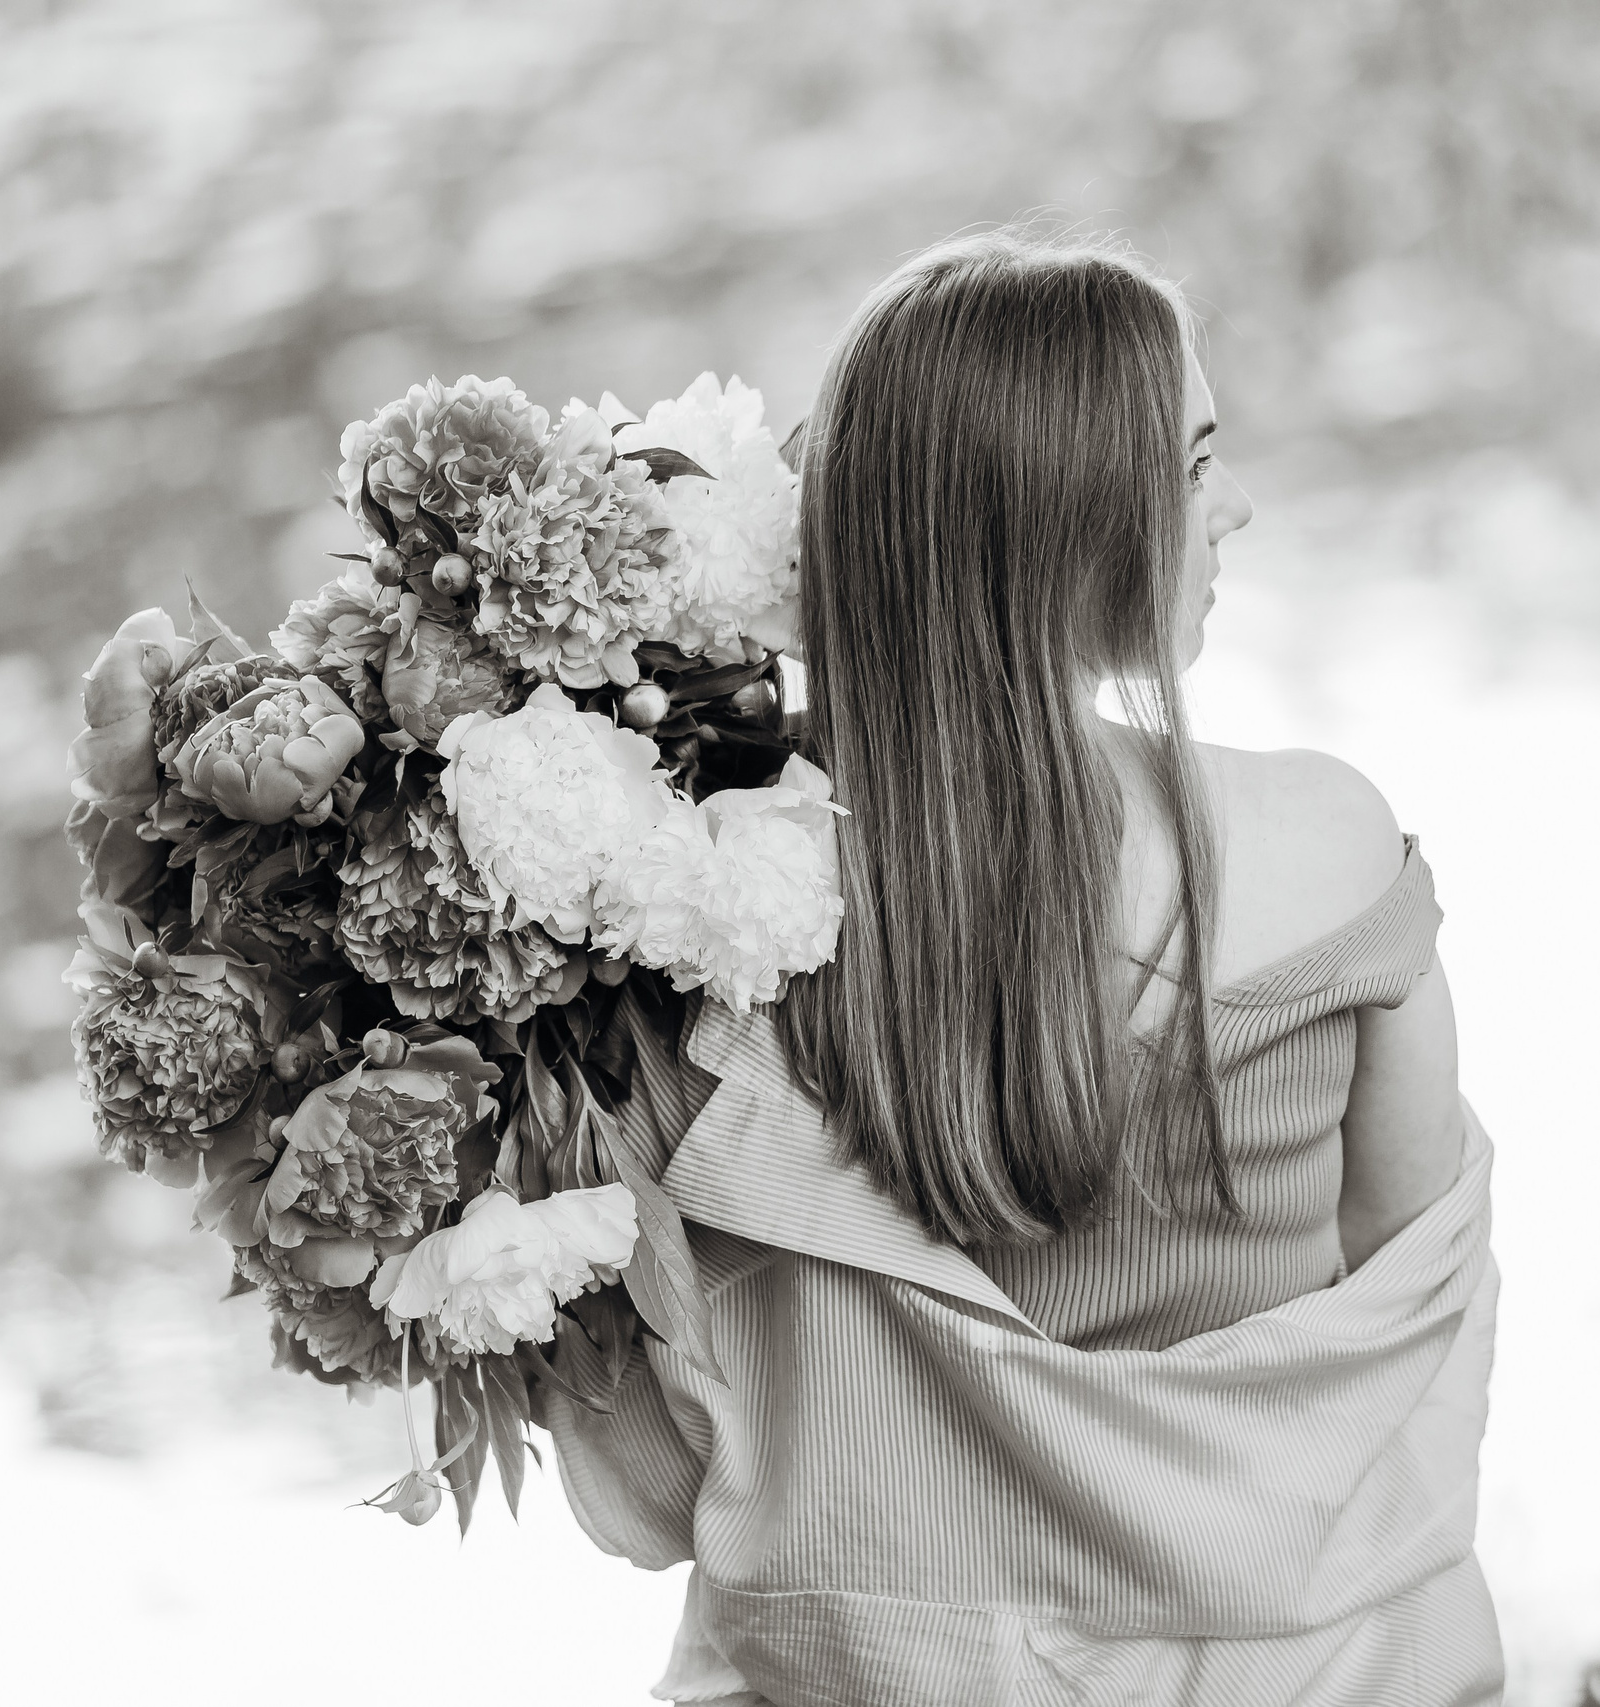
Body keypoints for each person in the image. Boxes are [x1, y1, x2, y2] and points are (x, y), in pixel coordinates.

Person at [548, 228, 1504, 1706]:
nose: (1233, 509)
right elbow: (1409, 1300)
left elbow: (655, 1490)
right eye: (1192, 465)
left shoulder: (715, 939)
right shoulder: (1326, 846)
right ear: (1073, 524)